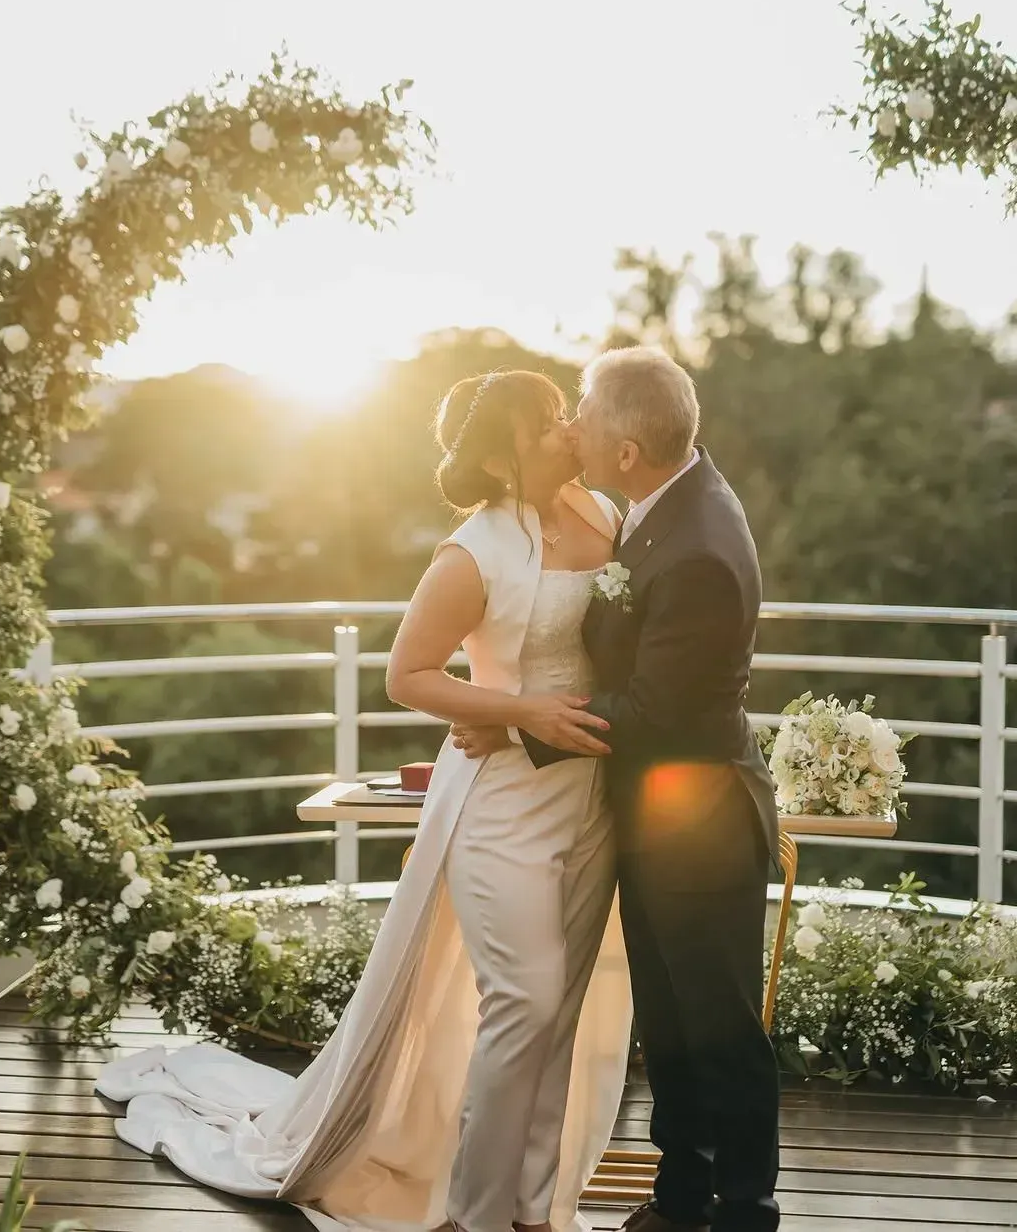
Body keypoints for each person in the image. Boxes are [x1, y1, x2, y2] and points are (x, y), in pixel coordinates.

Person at [96, 368, 633, 1232]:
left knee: (562, 1008)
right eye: (547, 424)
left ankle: (537, 1209)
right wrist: (516, 713)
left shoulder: (605, 514)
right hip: (500, 801)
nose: (569, 430)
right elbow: (406, 675)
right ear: (500, 458)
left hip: (594, 795)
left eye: (566, 415)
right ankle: (476, 1214)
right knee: (525, 1001)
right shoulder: (473, 552)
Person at [455, 348, 782, 1232]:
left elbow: (654, 712)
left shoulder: (699, 546)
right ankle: (680, 1199)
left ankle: (746, 1211)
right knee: (670, 1024)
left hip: (703, 826)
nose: (573, 429)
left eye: (586, 416)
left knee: (720, 1030)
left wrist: (513, 724)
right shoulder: (659, 503)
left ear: (627, 451)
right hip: (655, 816)